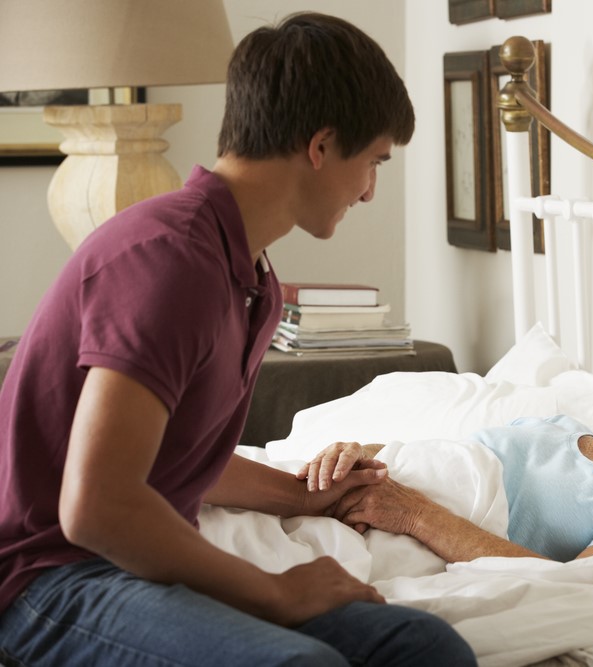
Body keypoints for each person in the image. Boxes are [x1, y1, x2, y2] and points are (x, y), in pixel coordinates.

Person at [0, 12, 476, 667]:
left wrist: (304, 494)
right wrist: (275, 591)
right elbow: (97, 506)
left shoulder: (251, 276)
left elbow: (175, 455)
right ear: (320, 145)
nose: (369, 191)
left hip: (133, 565)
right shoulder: (169, 261)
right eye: (373, 162)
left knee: (422, 647)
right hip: (49, 576)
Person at [300, 300, 593, 563]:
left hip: (398, 535)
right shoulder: (556, 426)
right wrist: (356, 452)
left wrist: (414, 516)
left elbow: (571, 586)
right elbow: (445, 463)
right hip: (367, 492)